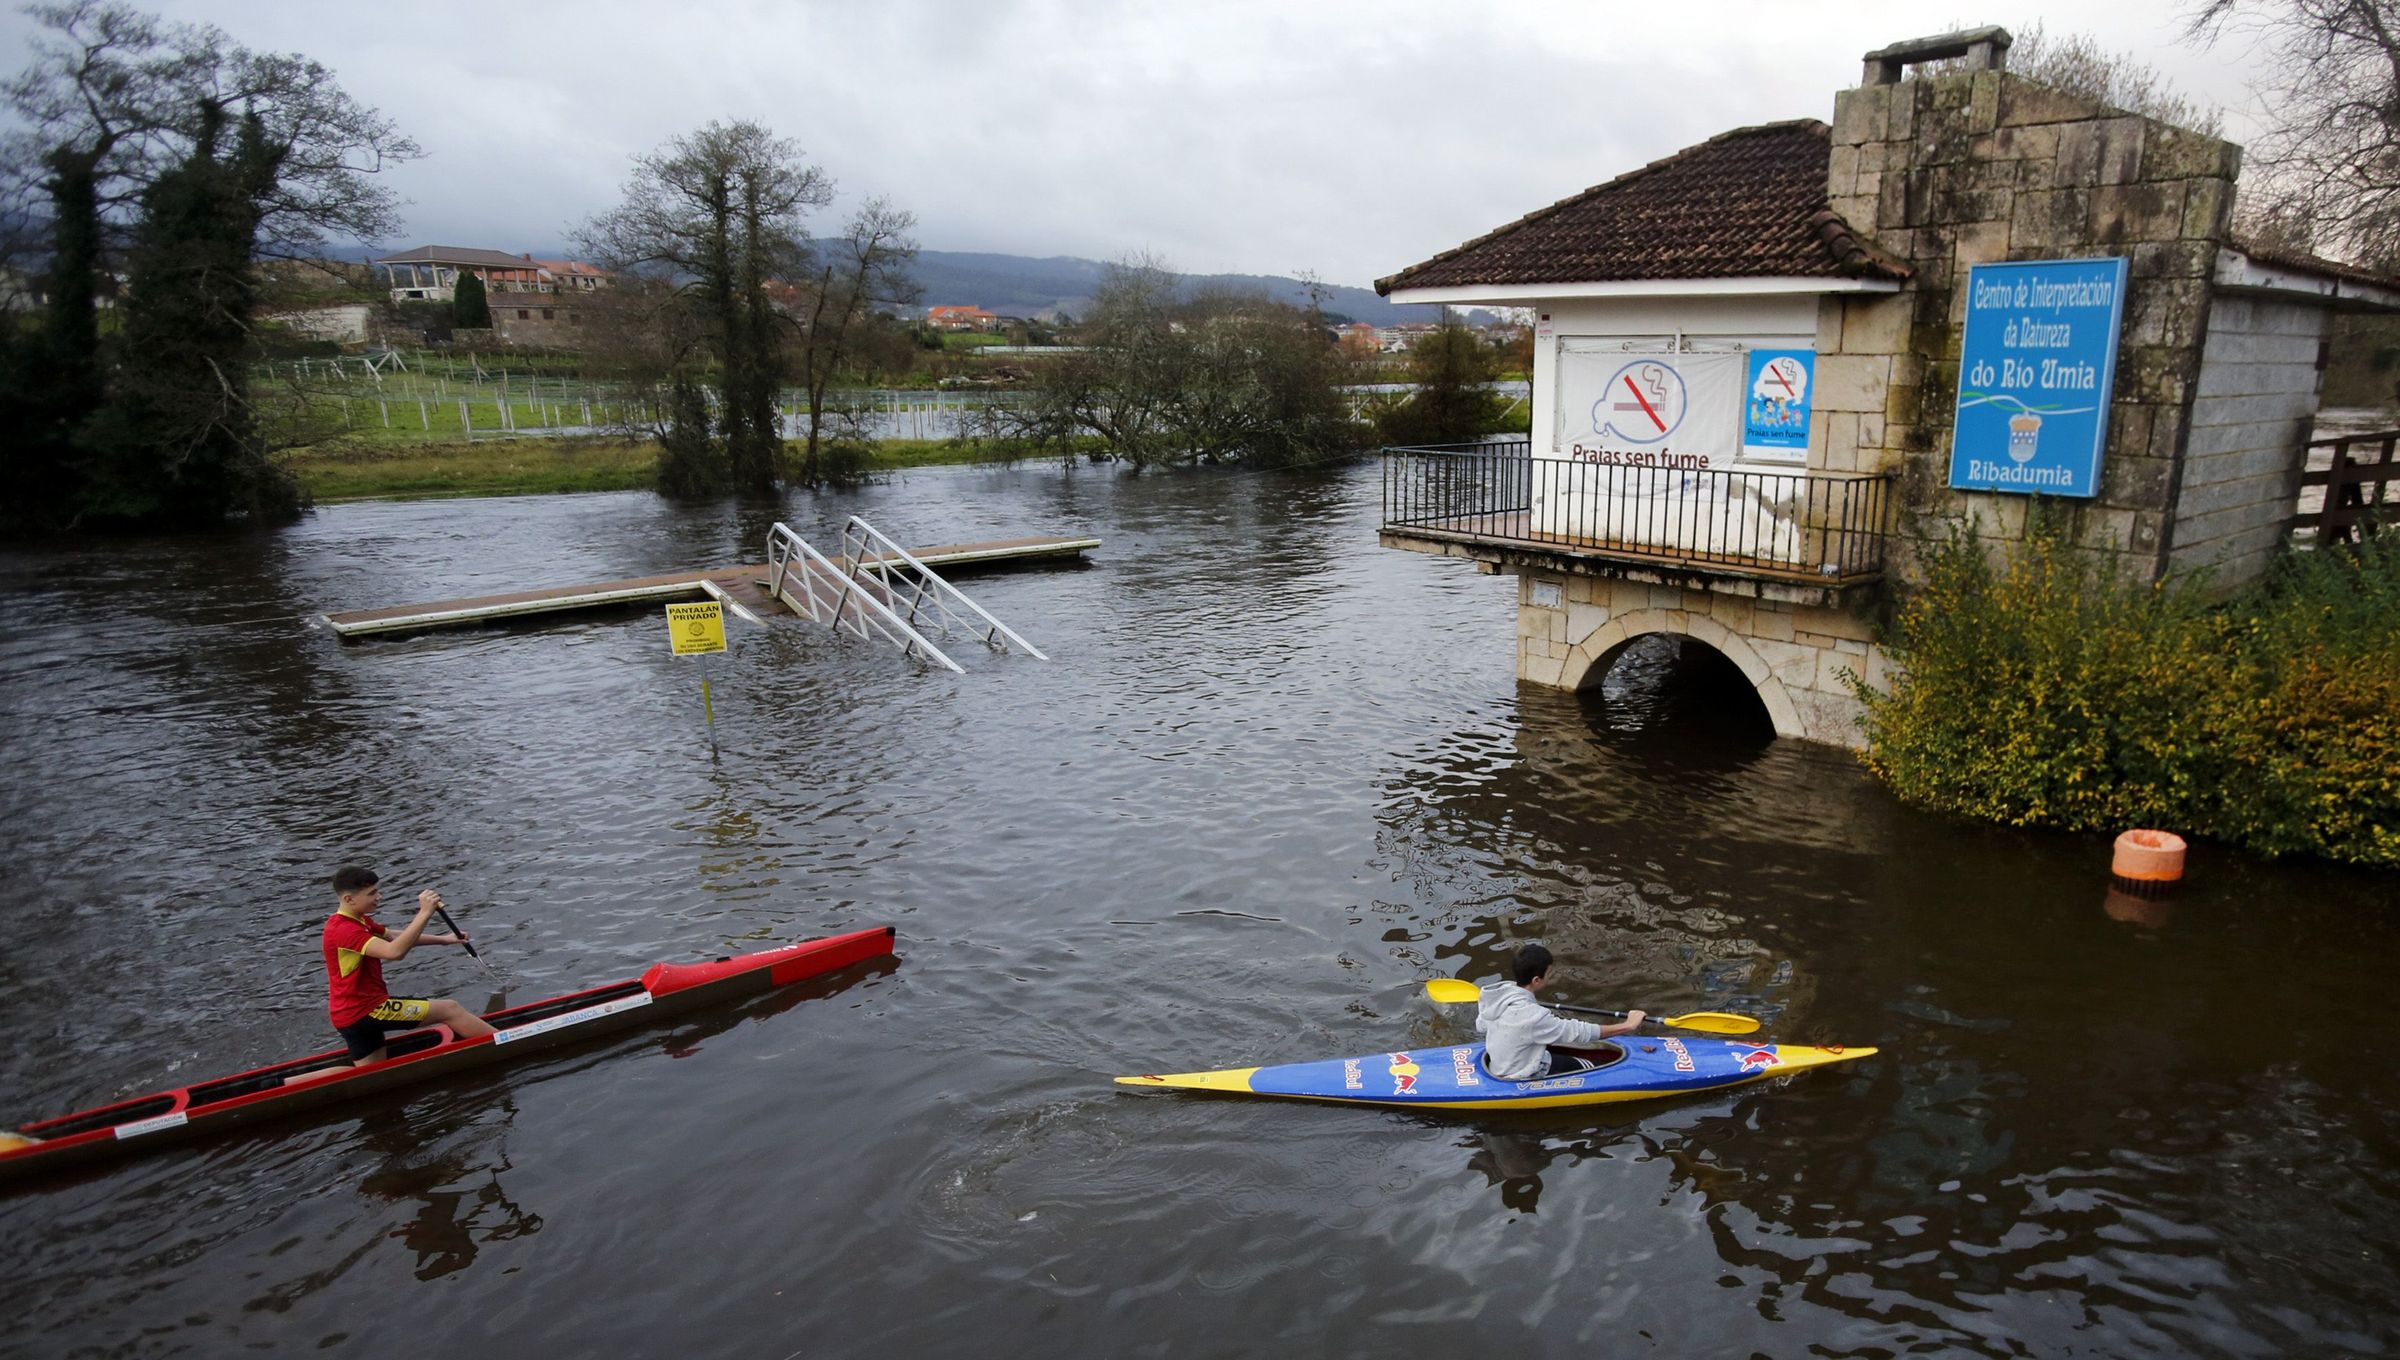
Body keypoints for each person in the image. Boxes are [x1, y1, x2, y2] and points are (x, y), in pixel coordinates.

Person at [320, 865, 494, 1064]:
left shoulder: (355, 920)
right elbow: (394, 952)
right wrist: (424, 913)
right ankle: (506, 1040)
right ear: (349, 899)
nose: (379, 897)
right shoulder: (345, 930)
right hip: (368, 1009)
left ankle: (281, 1084)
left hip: (348, 1015)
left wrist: (445, 939)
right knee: (449, 1009)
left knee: (370, 1072)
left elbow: (394, 936)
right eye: (372, 893)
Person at [1476, 943, 1646, 1081]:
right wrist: (1628, 1025)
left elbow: (1481, 1026)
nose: (1551, 977)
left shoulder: (1495, 997)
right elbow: (1579, 1032)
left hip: (1500, 1063)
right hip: (1522, 1072)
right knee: (1596, 1068)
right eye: (1549, 973)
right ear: (1537, 980)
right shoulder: (1532, 1016)